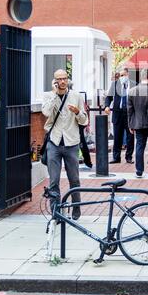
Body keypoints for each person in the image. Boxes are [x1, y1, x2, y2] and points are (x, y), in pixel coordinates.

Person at [42, 69, 88, 220]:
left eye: (64, 79)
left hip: (71, 143)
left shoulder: (76, 96)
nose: (62, 81)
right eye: (59, 79)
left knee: (74, 179)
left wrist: (77, 112)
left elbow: (84, 121)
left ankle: (76, 209)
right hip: (54, 143)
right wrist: (55, 95)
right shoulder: (49, 95)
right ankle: (56, 212)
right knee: (53, 180)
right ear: (54, 81)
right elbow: (47, 113)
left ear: (68, 80)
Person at [104, 67, 135, 164]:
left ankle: (128, 157)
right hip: (118, 113)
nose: (122, 77)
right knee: (117, 136)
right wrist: (107, 106)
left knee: (130, 137)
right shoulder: (115, 84)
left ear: (128, 74)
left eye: (124, 75)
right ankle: (116, 157)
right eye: (120, 75)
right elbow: (108, 97)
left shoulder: (134, 85)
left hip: (129, 114)